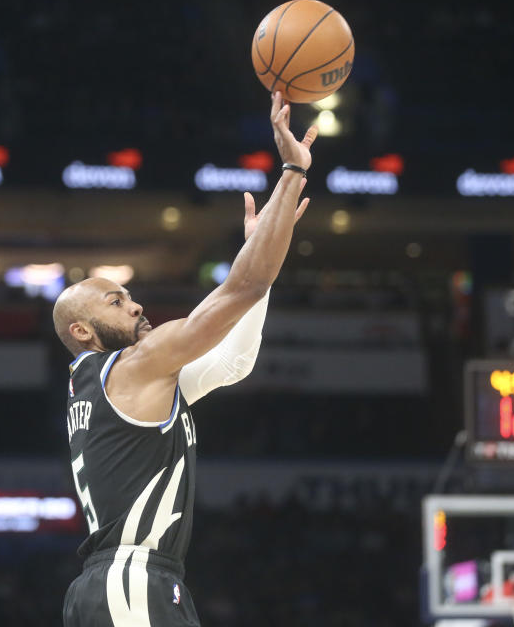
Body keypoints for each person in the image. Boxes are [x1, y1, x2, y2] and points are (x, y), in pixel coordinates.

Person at [54, 90, 317, 626]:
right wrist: (291, 171)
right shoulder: (131, 368)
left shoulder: (118, 385)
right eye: (116, 301)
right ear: (82, 330)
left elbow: (231, 363)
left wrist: (258, 266)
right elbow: (244, 283)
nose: (136, 305)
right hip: (131, 581)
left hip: (127, 582)